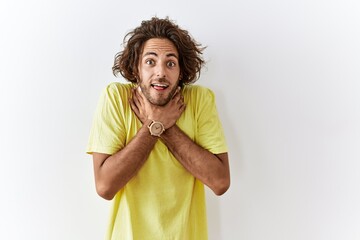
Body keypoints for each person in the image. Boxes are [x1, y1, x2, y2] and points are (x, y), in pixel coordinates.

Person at [87, 16, 230, 240]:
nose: (160, 72)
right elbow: (105, 186)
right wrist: (153, 127)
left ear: (181, 72)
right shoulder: (116, 98)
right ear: (136, 68)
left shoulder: (199, 100)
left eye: (170, 63)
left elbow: (220, 182)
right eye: (150, 61)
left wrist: (161, 125)